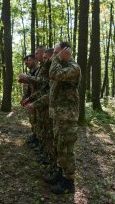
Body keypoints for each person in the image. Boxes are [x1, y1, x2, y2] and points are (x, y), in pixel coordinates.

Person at [46, 42, 81, 194]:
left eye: (56, 52)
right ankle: (61, 175)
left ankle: (69, 182)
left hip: (67, 117)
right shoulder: (61, 65)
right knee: (59, 147)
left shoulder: (73, 68)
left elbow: (53, 73)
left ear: (66, 52)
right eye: (54, 53)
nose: (54, 56)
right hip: (59, 116)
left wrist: (57, 59)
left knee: (67, 149)